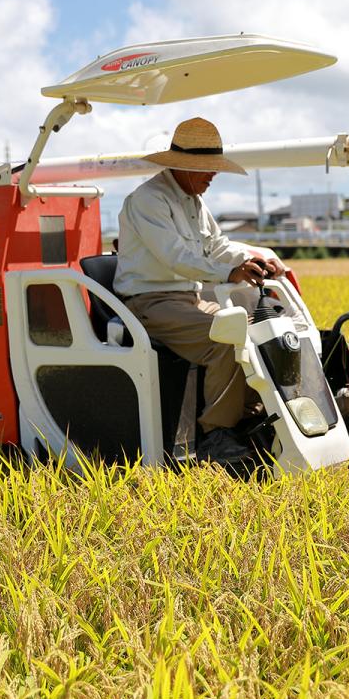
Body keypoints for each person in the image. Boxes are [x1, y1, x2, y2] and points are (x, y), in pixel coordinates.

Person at [113, 117, 286, 462]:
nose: (213, 175)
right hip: (149, 304)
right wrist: (230, 272)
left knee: (248, 333)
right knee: (224, 341)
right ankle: (216, 438)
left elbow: (218, 247)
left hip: (186, 300)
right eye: (207, 168)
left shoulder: (193, 201)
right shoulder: (149, 200)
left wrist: (252, 260)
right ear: (183, 165)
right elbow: (177, 256)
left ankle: (246, 422)